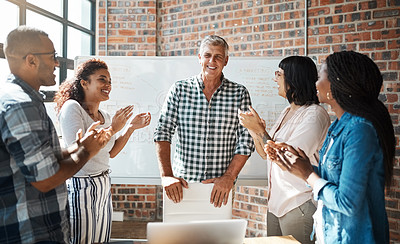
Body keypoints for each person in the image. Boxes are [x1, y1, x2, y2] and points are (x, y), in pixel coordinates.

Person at [266, 51, 395, 244]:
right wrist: (304, 165)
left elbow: (347, 202)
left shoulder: (360, 131)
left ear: (337, 83)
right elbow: (334, 179)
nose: (315, 83)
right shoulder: (337, 127)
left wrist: (307, 173)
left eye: (320, 77)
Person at [0, 26, 111, 243]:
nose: (57, 63)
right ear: (31, 61)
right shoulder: (21, 105)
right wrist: (86, 152)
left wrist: (74, 148)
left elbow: (30, 156)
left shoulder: (22, 99)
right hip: (29, 232)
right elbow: (45, 179)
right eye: (53, 56)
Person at [54, 58, 151, 244]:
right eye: (102, 79)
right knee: (83, 240)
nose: (108, 85)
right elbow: (80, 152)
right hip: (82, 185)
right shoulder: (72, 108)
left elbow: (111, 152)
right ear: (84, 83)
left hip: (103, 183)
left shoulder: (105, 116)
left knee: (101, 240)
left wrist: (129, 127)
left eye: (109, 81)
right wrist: (113, 128)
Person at [154, 35, 254, 207]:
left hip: (220, 186)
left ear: (226, 61)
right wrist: (167, 175)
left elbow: (246, 140)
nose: (212, 61)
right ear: (199, 58)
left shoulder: (239, 93)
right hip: (182, 185)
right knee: (180, 234)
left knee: (218, 234)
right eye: (207, 55)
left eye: (218, 57)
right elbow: (163, 131)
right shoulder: (180, 90)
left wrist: (229, 177)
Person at [238, 56, 330, 243]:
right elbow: (266, 153)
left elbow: (290, 158)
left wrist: (260, 130)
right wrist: (254, 132)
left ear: (293, 79)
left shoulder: (315, 114)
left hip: (298, 205)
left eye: (279, 74)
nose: (275, 79)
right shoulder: (287, 111)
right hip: (275, 206)